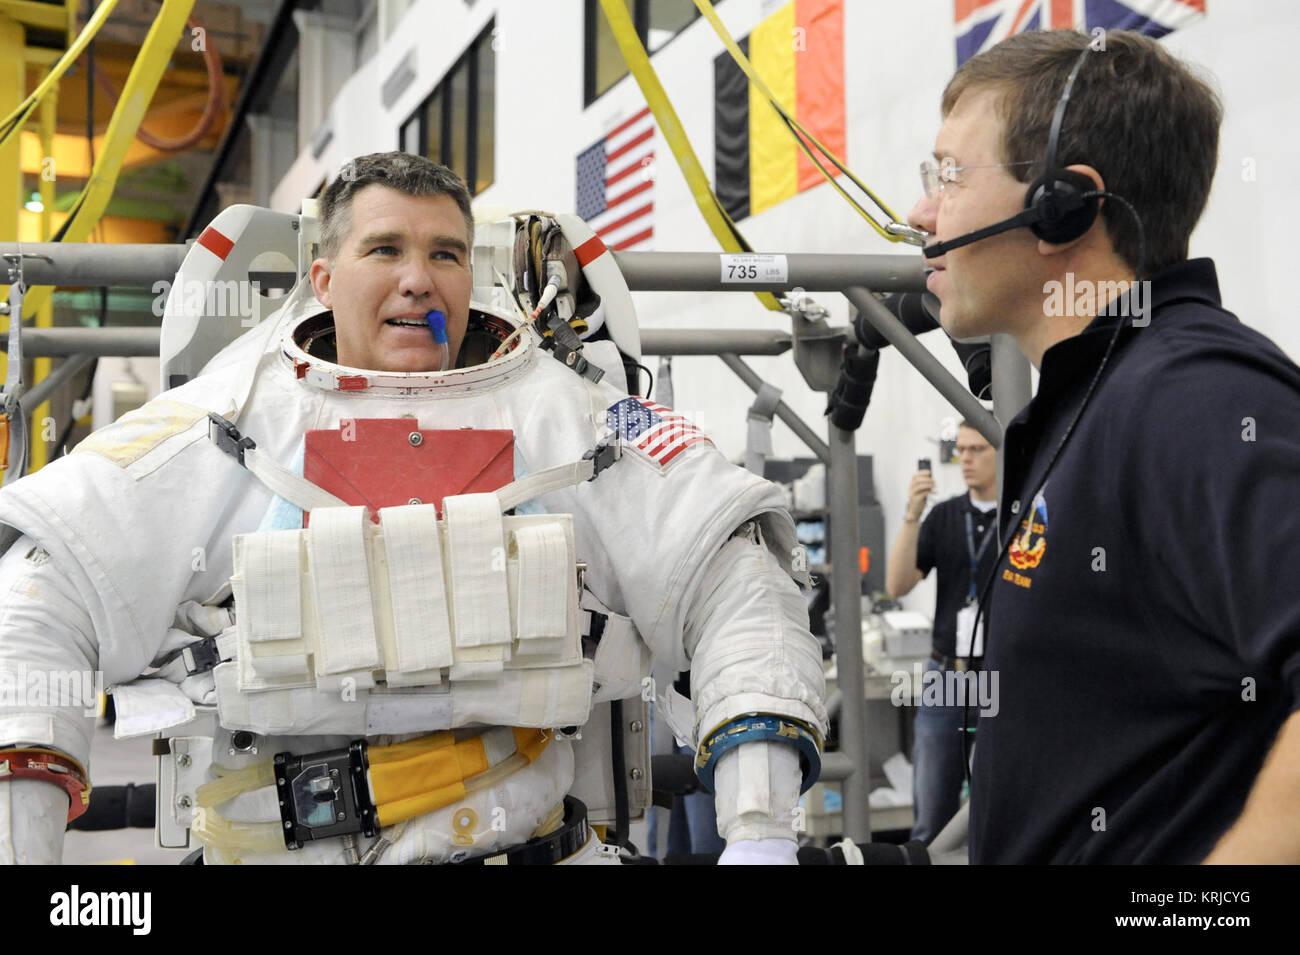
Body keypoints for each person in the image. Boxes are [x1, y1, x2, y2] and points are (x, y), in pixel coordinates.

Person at [0, 153, 826, 865]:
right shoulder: (227, 422)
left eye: (446, 254)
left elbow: (739, 580)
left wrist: (760, 833)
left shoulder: (572, 416)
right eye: (385, 248)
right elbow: (38, 601)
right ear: (322, 276)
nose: (417, 279)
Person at [907, 29, 1300, 863]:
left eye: (948, 175)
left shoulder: (1193, 394)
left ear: (1064, 207)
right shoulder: (1096, 400)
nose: (920, 213)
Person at [885, 422, 998, 842]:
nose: (965, 458)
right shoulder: (945, 515)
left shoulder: (1024, 516)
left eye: (977, 449)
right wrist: (912, 514)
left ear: (1002, 450)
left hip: (1001, 676)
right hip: (947, 674)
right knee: (932, 816)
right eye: (960, 450)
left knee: (997, 809)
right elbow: (897, 585)